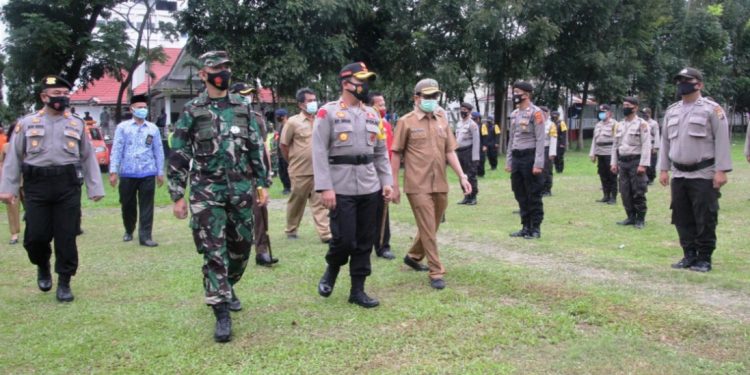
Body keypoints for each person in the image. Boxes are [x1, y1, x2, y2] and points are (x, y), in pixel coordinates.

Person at [168, 51, 269, 342]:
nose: (223, 72)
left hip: (239, 191)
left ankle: (228, 283)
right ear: (203, 74)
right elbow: (179, 153)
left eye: (227, 67)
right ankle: (221, 311)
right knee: (213, 252)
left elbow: (253, 147)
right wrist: (178, 195)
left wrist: (262, 183)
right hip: (206, 192)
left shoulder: (242, 107)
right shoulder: (192, 110)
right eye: (217, 68)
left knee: (240, 249)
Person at [0, 75, 104, 302]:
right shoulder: (27, 123)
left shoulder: (76, 123)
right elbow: (14, 158)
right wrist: (8, 188)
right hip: (36, 185)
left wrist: (95, 187)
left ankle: (64, 281)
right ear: (44, 97)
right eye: (56, 94)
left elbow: (87, 158)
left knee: (66, 236)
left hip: (67, 184)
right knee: (35, 237)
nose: (61, 99)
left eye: (65, 94)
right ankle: (43, 264)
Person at [313, 62, 393, 307]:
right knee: (345, 239)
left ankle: (357, 290)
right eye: (361, 80)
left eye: (367, 80)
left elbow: (380, 152)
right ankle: (332, 267)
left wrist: (387, 181)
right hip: (341, 186)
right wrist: (326, 187)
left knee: (365, 239)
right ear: (346, 83)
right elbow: (318, 151)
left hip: (370, 185)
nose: (365, 86)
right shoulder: (327, 113)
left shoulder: (373, 114)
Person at [391, 78, 471, 290]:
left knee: (432, 225)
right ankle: (436, 271)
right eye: (427, 97)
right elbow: (396, 153)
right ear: (416, 98)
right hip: (417, 184)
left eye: (434, 96)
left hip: (440, 182)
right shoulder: (405, 122)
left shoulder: (442, 119)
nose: (431, 100)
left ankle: (414, 255)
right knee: (427, 226)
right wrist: (394, 185)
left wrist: (462, 176)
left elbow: (449, 151)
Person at [659, 67, 732, 273]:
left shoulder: (712, 110)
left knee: (705, 216)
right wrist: (663, 169)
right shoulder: (672, 111)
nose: (681, 84)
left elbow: (722, 140)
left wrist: (722, 170)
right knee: (681, 216)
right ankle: (689, 255)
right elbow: (665, 142)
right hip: (679, 174)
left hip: (703, 172)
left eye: (686, 80)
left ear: (698, 84)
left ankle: (704, 257)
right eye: (679, 81)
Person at [231, 82, 278, 266]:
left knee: (260, 211)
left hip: (253, 173)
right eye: (243, 94)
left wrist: (267, 171)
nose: (247, 98)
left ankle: (262, 251)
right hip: (233, 174)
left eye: (250, 94)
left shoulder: (257, 118)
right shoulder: (226, 118)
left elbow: (263, 146)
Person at [109, 94, 164, 247]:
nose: (143, 110)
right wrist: (113, 171)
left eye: (145, 108)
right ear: (131, 109)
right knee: (127, 204)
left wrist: (160, 172)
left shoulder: (153, 129)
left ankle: (145, 236)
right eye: (140, 108)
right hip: (127, 172)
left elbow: (158, 150)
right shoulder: (123, 128)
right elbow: (117, 149)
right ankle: (129, 229)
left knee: (147, 205)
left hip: (147, 172)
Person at [280, 88, 332, 243]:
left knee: (320, 203)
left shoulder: (321, 120)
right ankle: (291, 229)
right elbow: (284, 145)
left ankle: (325, 234)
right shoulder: (293, 122)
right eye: (309, 101)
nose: (313, 103)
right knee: (297, 201)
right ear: (301, 104)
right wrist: (293, 161)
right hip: (300, 171)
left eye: (314, 100)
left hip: (319, 170)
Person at [505, 81, 546, 239]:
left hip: (530, 156)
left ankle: (535, 228)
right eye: (513, 92)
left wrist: (538, 163)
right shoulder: (514, 114)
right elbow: (511, 139)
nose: (514, 96)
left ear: (527, 95)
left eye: (517, 92)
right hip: (517, 157)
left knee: (533, 193)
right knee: (519, 192)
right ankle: (525, 226)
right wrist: (509, 160)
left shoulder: (536, 113)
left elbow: (541, 139)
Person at [611, 97, 651, 229]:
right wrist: (614, 163)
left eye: (628, 105)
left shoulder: (642, 124)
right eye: (624, 105)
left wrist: (643, 164)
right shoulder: (619, 125)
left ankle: (640, 219)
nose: (625, 108)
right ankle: (630, 217)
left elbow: (646, 145)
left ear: (635, 108)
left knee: (638, 190)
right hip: (623, 162)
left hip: (636, 161)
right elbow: (615, 145)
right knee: (624, 191)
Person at [368, 91, 395, 260]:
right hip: (365, 173)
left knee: (382, 209)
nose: (383, 108)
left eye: (384, 104)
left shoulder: (385, 125)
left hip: (381, 173)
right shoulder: (367, 121)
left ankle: (382, 245)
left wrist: (388, 178)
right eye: (380, 104)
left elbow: (388, 152)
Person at [589, 104, 619, 205]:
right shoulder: (598, 125)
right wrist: (592, 153)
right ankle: (606, 195)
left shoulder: (615, 124)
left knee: (612, 175)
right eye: (600, 112)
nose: (601, 114)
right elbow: (595, 140)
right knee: (603, 175)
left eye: (604, 111)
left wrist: (616, 155)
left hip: (610, 153)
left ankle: (613, 197)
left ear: (609, 113)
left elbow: (616, 140)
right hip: (600, 152)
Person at [455, 103, 480, 205]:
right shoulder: (459, 123)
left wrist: (475, 157)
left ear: (469, 111)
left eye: (465, 109)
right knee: (462, 175)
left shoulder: (472, 124)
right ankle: (466, 196)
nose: (462, 111)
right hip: (459, 152)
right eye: (461, 109)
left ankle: (473, 197)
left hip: (469, 152)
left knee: (471, 175)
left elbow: (476, 141)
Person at [0, 124, 21, 245]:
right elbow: (2, 163)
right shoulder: (6, 147)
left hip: (29, 179)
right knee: (12, 208)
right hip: (12, 179)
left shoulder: (29, 145)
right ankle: (14, 234)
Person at [540, 106, 557, 196]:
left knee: (546, 170)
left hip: (547, 149)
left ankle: (547, 189)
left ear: (547, 113)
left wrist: (552, 153)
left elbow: (553, 139)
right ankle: (539, 188)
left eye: (543, 113)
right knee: (538, 170)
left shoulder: (551, 125)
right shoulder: (537, 123)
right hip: (537, 150)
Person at [274, 108, 292, 194]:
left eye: (279, 116)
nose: (277, 117)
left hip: (287, 153)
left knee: (288, 171)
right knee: (282, 172)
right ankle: (286, 187)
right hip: (280, 154)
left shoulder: (289, 126)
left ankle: (289, 187)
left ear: (284, 116)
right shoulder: (280, 126)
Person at [641, 108, 661, 184]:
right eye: (643, 113)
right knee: (643, 162)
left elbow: (657, 135)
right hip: (643, 145)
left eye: (645, 113)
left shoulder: (654, 123)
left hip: (651, 145)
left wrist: (656, 147)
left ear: (649, 114)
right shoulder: (641, 122)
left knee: (652, 163)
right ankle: (644, 178)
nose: (644, 115)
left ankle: (651, 178)